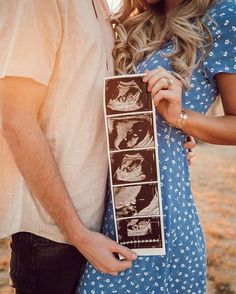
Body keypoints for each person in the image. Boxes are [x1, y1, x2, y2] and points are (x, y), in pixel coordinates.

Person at [78, 0, 236, 293]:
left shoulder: (224, 15)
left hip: (159, 222)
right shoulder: (130, 21)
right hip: (93, 212)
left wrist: (181, 119)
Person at [0, 1, 138, 293]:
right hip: (52, 234)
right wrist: (78, 234)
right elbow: (15, 118)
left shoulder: (100, 7)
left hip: (95, 226)